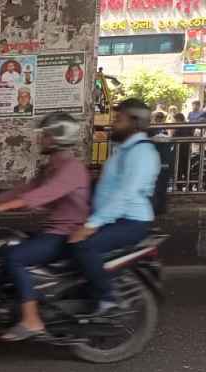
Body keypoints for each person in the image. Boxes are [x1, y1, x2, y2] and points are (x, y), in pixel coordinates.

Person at [0, 113, 91, 340]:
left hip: (64, 235)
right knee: (3, 245)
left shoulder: (72, 168)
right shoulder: (52, 166)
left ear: (58, 138)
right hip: (50, 230)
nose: (41, 139)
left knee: (15, 257)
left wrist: (0, 209)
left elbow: (40, 196)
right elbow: (25, 190)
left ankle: (32, 320)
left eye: (46, 135)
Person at [67, 98, 159, 313]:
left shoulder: (142, 153)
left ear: (134, 122)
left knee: (84, 245)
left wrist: (91, 225)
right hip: (115, 217)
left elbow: (126, 194)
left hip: (132, 221)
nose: (113, 124)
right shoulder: (125, 150)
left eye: (119, 119)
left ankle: (107, 299)